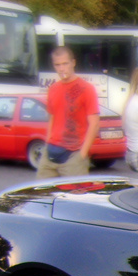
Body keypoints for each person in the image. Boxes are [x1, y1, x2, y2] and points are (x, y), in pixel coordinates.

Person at [37, 46, 99, 179]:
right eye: (57, 65)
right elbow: (52, 118)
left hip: (74, 154)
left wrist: (82, 155)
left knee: (74, 196)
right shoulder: (53, 89)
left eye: (65, 63)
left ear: (73, 63)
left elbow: (94, 124)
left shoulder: (86, 89)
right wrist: (47, 143)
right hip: (50, 152)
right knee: (40, 194)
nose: (61, 68)